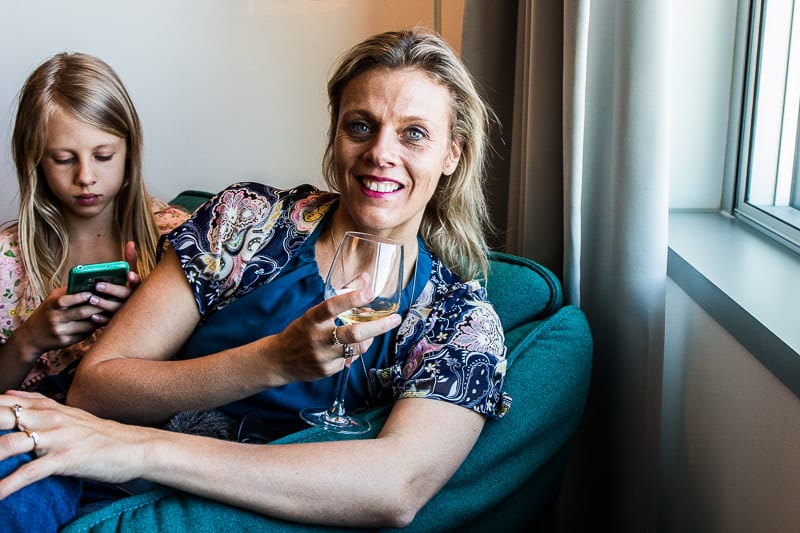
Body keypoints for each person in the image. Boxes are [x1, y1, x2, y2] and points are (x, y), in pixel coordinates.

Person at [0, 29, 510, 529]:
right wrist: (271, 361)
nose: (380, 152)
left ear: (453, 154)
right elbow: (96, 387)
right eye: (360, 126)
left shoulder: (459, 322)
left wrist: (141, 451)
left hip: (177, 489)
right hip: (81, 464)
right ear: (335, 134)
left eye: (414, 133)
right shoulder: (247, 219)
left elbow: (396, 489)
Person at [0, 52, 189, 531]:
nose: (86, 176)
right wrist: (30, 339)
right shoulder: (9, 257)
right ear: (35, 161)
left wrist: (144, 322)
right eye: (63, 159)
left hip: (130, 447)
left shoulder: (177, 242)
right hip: (29, 432)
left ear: (130, 149)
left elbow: (200, 375)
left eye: (103, 156)